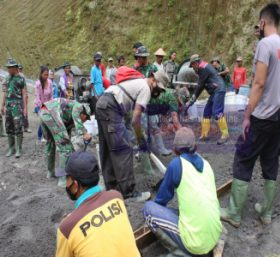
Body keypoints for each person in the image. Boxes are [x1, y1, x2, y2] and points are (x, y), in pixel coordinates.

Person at [221, 3, 280, 227]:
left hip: (262, 115)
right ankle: (266, 213)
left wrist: (247, 116)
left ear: (262, 22)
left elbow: (258, 83)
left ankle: (233, 213)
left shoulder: (264, 44)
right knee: (270, 161)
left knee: (243, 157)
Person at [143, 127, 222, 256]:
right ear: (195, 147)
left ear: (175, 150)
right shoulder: (206, 164)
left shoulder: (176, 165)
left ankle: (181, 253)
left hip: (197, 244)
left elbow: (161, 201)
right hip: (215, 233)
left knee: (148, 208)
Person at [95, 68, 167, 202]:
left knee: (108, 148)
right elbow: (135, 120)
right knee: (124, 149)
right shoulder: (145, 88)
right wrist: (141, 140)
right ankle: (128, 192)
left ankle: (112, 187)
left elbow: (129, 116)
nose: (157, 92)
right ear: (153, 79)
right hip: (111, 107)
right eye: (159, 88)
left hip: (102, 103)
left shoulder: (137, 82)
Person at [55, 151, 141, 257]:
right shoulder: (116, 197)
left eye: (67, 178)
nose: (66, 183)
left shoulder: (67, 228)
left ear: (76, 185)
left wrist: (70, 221)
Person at [40, 98, 91, 186]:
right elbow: (78, 125)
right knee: (65, 149)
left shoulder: (68, 115)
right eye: (86, 119)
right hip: (52, 113)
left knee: (50, 143)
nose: (84, 121)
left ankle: (50, 172)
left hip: (43, 113)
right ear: (83, 113)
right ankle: (62, 179)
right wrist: (85, 132)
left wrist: (70, 147)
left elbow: (67, 134)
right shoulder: (78, 107)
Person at [188, 54, 229, 145]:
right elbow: (202, 85)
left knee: (217, 111)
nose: (193, 68)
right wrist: (193, 99)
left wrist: (192, 100)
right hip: (215, 90)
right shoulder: (203, 67)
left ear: (195, 63)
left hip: (219, 89)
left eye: (192, 65)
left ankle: (225, 134)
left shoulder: (203, 68)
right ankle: (204, 134)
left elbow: (200, 86)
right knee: (206, 112)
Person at [1, 59, 27, 158]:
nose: (7, 69)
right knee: (8, 126)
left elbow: (24, 93)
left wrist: (24, 108)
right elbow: (5, 92)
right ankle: (11, 148)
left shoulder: (21, 79)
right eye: (7, 67)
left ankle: (19, 149)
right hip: (8, 105)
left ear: (14, 68)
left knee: (18, 127)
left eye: (9, 67)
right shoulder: (7, 78)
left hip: (17, 106)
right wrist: (2, 106)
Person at [34, 66, 53, 143]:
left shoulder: (50, 82)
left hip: (48, 104)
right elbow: (37, 97)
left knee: (48, 121)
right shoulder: (38, 84)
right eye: (45, 74)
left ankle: (46, 136)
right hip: (39, 105)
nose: (46, 76)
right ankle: (39, 137)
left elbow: (51, 95)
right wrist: (42, 106)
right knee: (43, 120)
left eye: (47, 75)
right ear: (41, 74)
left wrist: (51, 105)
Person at [18, 64, 32, 133]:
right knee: (20, 112)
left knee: (24, 111)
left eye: (21, 69)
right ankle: (22, 128)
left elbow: (25, 87)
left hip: (22, 96)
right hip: (18, 97)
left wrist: (26, 95)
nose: (20, 70)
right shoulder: (18, 76)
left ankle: (25, 127)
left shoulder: (22, 76)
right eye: (19, 69)